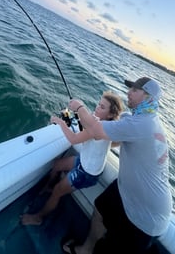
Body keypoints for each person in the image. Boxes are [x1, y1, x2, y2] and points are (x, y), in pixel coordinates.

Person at [64, 77, 172, 254]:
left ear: (148, 97)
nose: (128, 92)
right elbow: (110, 135)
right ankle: (86, 250)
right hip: (126, 189)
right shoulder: (145, 120)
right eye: (130, 88)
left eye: (135, 90)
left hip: (146, 213)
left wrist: (78, 107)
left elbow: (95, 130)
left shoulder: (141, 124)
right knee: (100, 208)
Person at [20, 90, 124, 226]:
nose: (97, 107)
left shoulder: (98, 128)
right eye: (99, 104)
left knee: (58, 191)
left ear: (110, 115)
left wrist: (60, 122)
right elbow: (88, 129)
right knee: (56, 165)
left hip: (86, 173)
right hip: (83, 161)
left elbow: (74, 139)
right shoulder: (102, 125)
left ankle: (39, 217)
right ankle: (48, 186)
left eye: (102, 107)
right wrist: (74, 115)